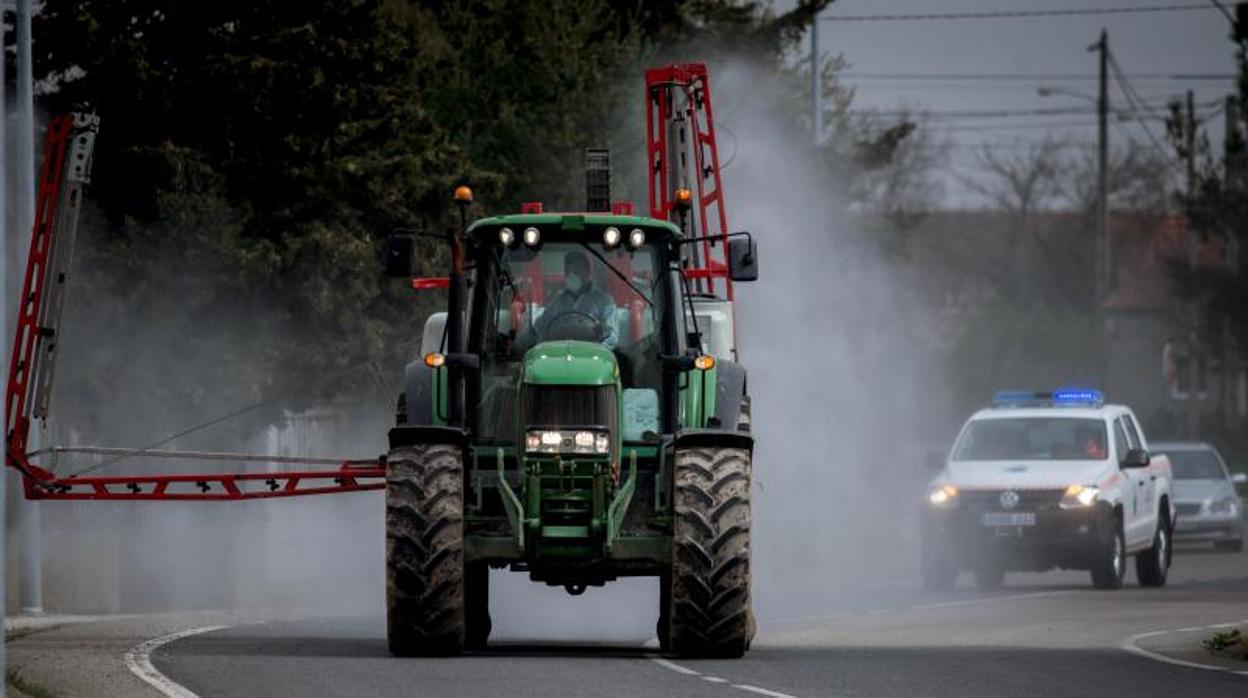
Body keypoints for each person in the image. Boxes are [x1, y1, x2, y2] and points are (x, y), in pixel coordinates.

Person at [533, 250, 618, 348]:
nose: (571, 275)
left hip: (591, 356)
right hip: (559, 354)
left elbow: (611, 337)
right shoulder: (557, 301)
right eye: (567, 272)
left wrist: (598, 351)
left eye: (576, 271)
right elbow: (538, 328)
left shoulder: (604, 301)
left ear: (588, 272)